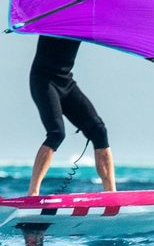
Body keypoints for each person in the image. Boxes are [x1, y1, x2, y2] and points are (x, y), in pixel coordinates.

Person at [26, 35, 115, 196]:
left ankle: (111, 193)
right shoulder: (52, 18)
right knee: (56, 134)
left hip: (66, 81)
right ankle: (33, 192)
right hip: (43, 81)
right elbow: (33, 19)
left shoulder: (84, 22)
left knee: (99, 131)